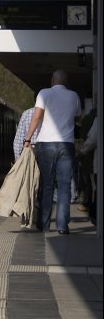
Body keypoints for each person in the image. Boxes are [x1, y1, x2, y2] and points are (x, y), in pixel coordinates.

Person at [22, 69, 81, 234]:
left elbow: (37, 117)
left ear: (52, 80)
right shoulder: (74, 96)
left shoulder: (44, 93)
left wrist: (27, 139)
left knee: (46, 185)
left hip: (46, 144)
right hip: (66, 145)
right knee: (64, 186)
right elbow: (77, 115)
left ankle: (44, 224)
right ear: (66, 81)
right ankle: (62, 226)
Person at [80, 113, 98, 225]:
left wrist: (82, 152)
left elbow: (92, 140)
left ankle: (95, 216)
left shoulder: (98, 118)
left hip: (99, 164)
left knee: (97, 189)